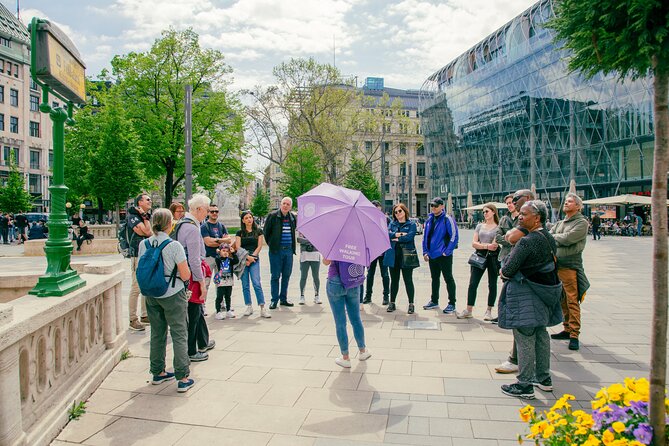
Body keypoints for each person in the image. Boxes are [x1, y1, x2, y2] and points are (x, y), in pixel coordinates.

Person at [499, 200, 561, 399]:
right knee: (541, 335)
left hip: (526, 295)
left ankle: (524, 384)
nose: (519, 217)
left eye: (524, 214)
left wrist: (503, 270)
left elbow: (508, 269)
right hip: (545, 293)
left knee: (525, 336)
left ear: (537, 218)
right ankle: (543, 379)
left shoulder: (527, 241)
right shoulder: (548, 237)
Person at [137, 208, 194, 393]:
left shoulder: (144, 244)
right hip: (172, 293)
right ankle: (182, 376)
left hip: (151, 294)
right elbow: (185, 274)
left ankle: (157, 372)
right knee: (179, 333)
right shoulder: (174, 245)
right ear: (169, 224)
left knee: (157, 332)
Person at [494, 189, 535, 374]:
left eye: (516, 199)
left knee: (523, 322)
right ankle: (538, 372)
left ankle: (522, 368)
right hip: (520, 272)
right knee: (531, 325)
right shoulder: (515, 220)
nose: (513, 202)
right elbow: (502, 236)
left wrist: (511, 236)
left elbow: (510, 237)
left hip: (525, 278)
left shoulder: (529, 221)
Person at [173, 193, 214, 362]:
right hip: (191, 276)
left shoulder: (183, 224)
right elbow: (194, 259)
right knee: (194, 312)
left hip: (185, 274)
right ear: (198, 209)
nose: (208, 213)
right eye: (206, 210)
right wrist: (200, 281)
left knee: (194, 312)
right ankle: (191, 350)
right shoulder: (191, 228)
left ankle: (201, 342)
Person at [549, 193, 590, 351]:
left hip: (570, 266)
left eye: (570, 201)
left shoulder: (581, 222)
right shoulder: (560, 222)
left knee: (572, 300)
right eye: (565, 201)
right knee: (562, 299)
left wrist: (554, 237)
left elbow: (568, 238)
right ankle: (567, 328)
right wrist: (556, 237)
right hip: (556, 265)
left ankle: (574, 333)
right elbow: (551, 235)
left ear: (578, 206)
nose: (566, 203)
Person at [323, 258, 371, 368]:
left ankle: (345, 357)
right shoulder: (359, 242)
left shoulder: (334, 241)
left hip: (335, 281)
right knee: (356, 319)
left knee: (340, 323)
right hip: (352, 281)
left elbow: (326, 262)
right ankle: (362, 351)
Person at [457, 203, 499, 321]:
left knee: (492, 284)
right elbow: (474, 243)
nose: (485, 214)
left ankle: (489, 310)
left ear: (493, 212)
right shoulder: (480, 226)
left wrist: (482, 245)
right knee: (473, 283)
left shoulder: (498, 227)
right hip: (479, 256)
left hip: (492, 257)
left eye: (487, 211)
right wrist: (486, 246)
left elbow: (494, 246)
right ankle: (469, 309)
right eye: (484, 212)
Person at [421, 197, 459, 314]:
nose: (433, 208)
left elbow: (454, 236)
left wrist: (446, 252)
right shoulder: (429, 220)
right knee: (435, 279)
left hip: (443, 255)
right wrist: (425, 251)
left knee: (448, 278)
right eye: (432, 205)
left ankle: (452, 303)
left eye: (436, 205)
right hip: (432, 255)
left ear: (442, 206)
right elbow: (425, 237)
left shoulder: (447, 219)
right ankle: (434, 300)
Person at [384, 203, 419, 314]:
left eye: (400, 211)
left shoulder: (411, 224)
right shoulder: (392, 224)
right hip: (393, 256)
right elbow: (387, 235)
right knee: (394, 281)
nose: (398, 213)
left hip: (406, 256)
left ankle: (411, 304)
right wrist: (398, 234)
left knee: (408, 280)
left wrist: (397, 238)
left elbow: (410, 237)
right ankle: (392, 303)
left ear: (405, 211)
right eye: (396, 212)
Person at [235, 210, 271, 318]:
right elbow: (238, 247)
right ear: (243, 220)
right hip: (243, 260)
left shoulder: (258, 231)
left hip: (254, 259)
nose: (249, 219)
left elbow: (259, 246)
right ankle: (249, 306)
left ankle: (262, 307)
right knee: (245, 284)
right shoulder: (239, 233)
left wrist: (252, 257)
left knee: (256, 283)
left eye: (250, 217)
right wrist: (247, 257)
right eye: (246, 218)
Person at [264, 197, 296, 309]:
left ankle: (283, 299)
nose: (285, 205)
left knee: (286, 275)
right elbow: (266, 233)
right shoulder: (273, 216)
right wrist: (273, 245)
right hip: (276, 251)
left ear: (290, 206)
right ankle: (274, 300)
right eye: (284, 203)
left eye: (288, 204)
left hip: (289, 251)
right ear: (280, 204)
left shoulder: (292, 217)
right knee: (275, 276)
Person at [127, 193, 153, 331]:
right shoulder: (132, 216)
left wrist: (145, 217)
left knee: (145, 286)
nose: (150, 201)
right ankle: (132, 319)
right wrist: (144, 217)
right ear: (139, 203)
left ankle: (144, 315)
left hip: (146, 254)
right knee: (136, 287)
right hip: (137, 255)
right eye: (147, 199)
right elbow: (147, 232)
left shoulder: (146, 217)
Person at [363, 200, 390, 305]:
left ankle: (386, 296)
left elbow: (389, 234)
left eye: (378, 210)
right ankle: (368, 296)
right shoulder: (367, 220)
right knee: (370, 275)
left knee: (385, 275)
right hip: (372, 251)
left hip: (383, 251)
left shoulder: (385, 220)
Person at [201, 204, 232, 294]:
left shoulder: (221, 226)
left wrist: (216, 240)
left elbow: (229, 240)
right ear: (208, 213)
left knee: (221, 282)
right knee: (206, 282)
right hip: (209, 257)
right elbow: (208, 242)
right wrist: (221, 241)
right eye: (212, 211)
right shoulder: (204, 226)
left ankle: (221, 304)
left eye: (216, 211)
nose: (214, 213)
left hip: (220, 258)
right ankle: (203, 305)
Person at [213, 243, 238, 320]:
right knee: (219, 297)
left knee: (228, 296)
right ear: (220, 251)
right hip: (221, 282)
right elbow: (216, 258)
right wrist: (217, 252)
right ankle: (218, 311)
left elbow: (236, 261)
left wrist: (233, 252)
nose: (225, 252)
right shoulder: (219, 260)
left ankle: (228, 310)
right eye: (223, 250)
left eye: (227, 251)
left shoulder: (230, 260)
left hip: (229, 281)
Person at [297, 231, 321, 305]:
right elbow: (299, 239)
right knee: (303, 276)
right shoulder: (303, 228)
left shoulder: (319, 230)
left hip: (315, 255)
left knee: (316, 276)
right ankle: (302, 296)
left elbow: (319, 240)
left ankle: (317, 296)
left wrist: (306, 241)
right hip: (304, 255)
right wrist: (312, 240)